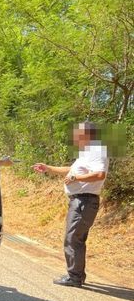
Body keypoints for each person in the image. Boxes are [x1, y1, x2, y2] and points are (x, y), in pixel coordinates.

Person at [32, 121, 108, 287]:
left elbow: (100, 174)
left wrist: (76, 178)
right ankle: (77, 275)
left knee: (73, 238)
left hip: (85, 201)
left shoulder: (97, 150)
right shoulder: (87, 152)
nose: (75, 136)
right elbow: (70, 170)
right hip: (80, 201)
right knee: (76, 238)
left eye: (78, 133)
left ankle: (74, 277)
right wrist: (48, 168)